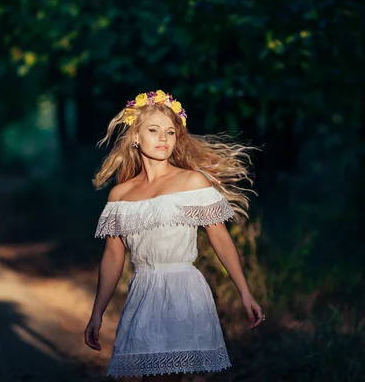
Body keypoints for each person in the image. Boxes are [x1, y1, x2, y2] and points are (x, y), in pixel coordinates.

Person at [84, 90, 265, 381]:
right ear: (134, 136)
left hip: (183, 290)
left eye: (170, 132)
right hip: (142, 293)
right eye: (153, 131)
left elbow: (220, 238)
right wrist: (97, 313)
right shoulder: (120, 195)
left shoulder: (191, 181)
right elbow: (113, 256)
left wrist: (245, 292)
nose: (163, 139)